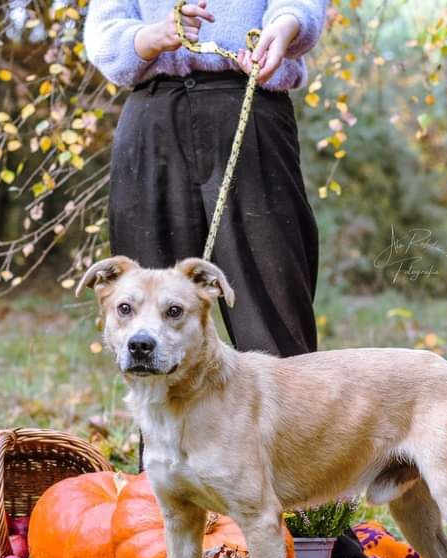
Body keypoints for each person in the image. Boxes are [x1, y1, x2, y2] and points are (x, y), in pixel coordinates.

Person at [84, 0, 327, 358]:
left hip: (249, 105)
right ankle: (163, 416)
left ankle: (292, 415)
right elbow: (105, 35)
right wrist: (154, 36)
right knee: (147, 310)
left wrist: (284, 27)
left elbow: (299, 6)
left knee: (274, 310)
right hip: (153, 118)